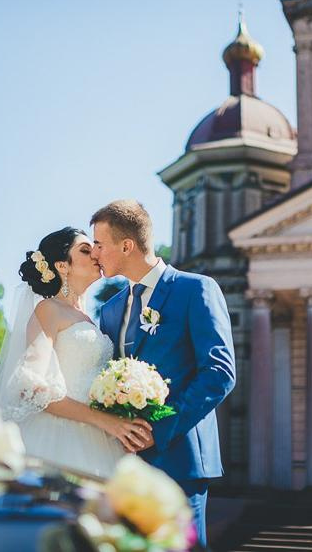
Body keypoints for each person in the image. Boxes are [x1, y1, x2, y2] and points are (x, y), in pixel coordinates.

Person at [91, 200, 236, 547]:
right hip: (126, 463)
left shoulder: (196, 289)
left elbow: (219, 372)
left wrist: (159, 429)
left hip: (181, 459)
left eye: (99, 244)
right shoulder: (110, 310)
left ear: (126, 246)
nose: (94, 253)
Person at [0, 227, 152, 478]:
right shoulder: (49, 309)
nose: (96, 255)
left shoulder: (91, 318)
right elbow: (31, 385)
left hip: (101, 440)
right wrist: (105, 421)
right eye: (85, 250)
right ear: (62, 267)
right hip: (60, 437)